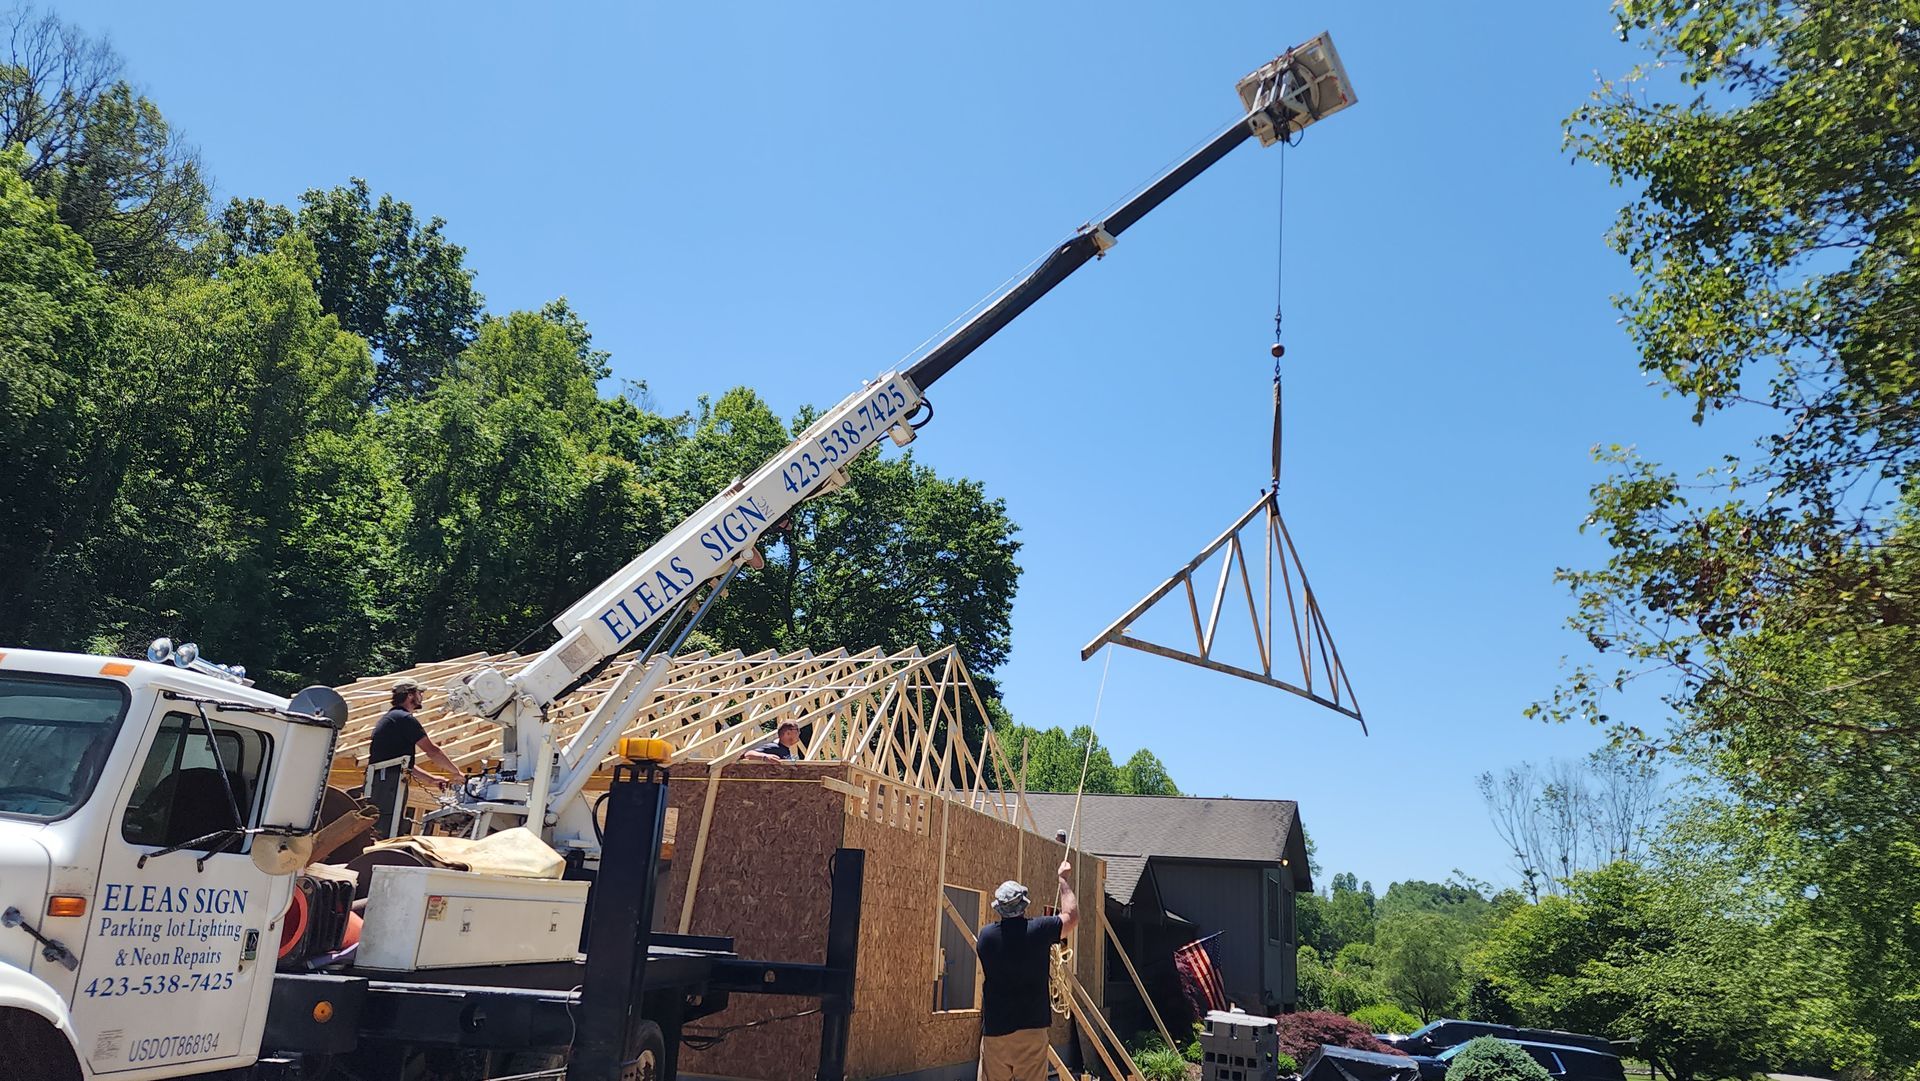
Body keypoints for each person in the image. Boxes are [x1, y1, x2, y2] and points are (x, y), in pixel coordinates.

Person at [975, 860, 1079, 1081]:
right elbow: (1071, 917)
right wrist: (1063, 880)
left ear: (999, 907)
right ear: (1023, 905)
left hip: (996, 1031)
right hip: (1032, 1028)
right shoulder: (1039, 931)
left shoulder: (986, 937)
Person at [365, 678, 463, 838]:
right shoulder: (404, 719)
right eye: (419, 693)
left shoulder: (394, 717)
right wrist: (457, 772)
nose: (422, 696)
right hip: (387, 781)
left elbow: (402, 762)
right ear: (410, 695)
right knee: (384, 826)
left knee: (387, 824)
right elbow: (432, 751)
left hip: (385, 779)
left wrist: (430, 779)